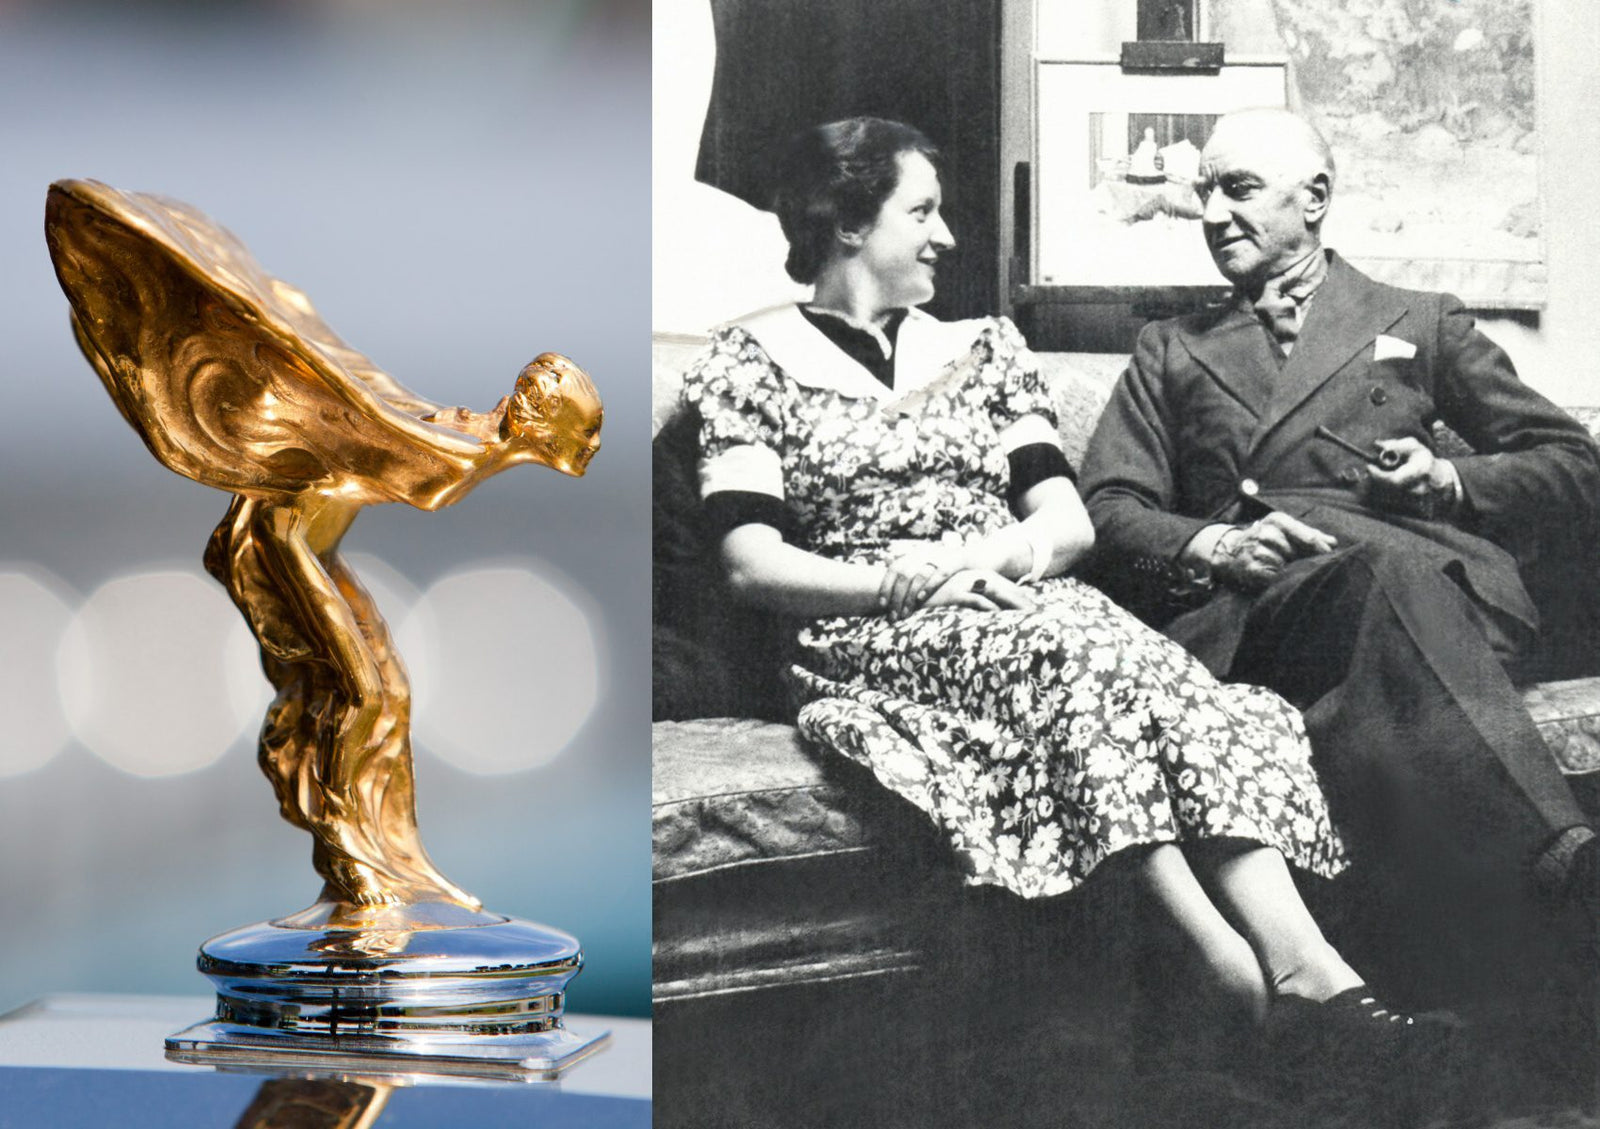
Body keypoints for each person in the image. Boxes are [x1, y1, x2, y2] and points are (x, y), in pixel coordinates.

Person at [681, 116, 1438, 1071]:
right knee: (1068, 660)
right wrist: (909, 581)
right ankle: (1230, 978)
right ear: (846, 223)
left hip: (1010, 592)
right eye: (923, 211)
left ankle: (1311, 973)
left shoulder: (987, 351)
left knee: (1149, 665)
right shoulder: (748, 366)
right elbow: (753, 562)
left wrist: (988, 564)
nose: (947, 236)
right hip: (865, 618)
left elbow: (1067, 523)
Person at [1078, 107, 1600, 940]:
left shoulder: (1421, 318)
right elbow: (1108, 509)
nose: (1212, 214)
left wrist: (1448, 481)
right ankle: (1562, 859)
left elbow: (1575, 464)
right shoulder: (1170, 347)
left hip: (1429, 588)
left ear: (1314, 197)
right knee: (1375, 585)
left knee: (1388, 584)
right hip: (1256, 616)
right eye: (1206, 192)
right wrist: (1222, 545)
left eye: (1239, 189)